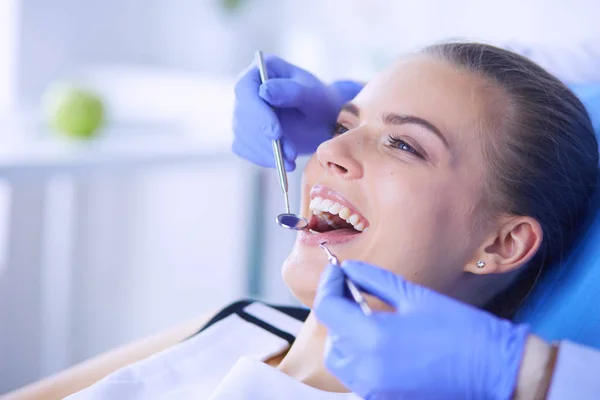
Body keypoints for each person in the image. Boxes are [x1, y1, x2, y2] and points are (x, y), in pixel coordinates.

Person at [4, 42, 598, 399]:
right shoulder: (246, 322)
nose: (329, 153)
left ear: (501, 242)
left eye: (405, 146)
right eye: (344, 126)